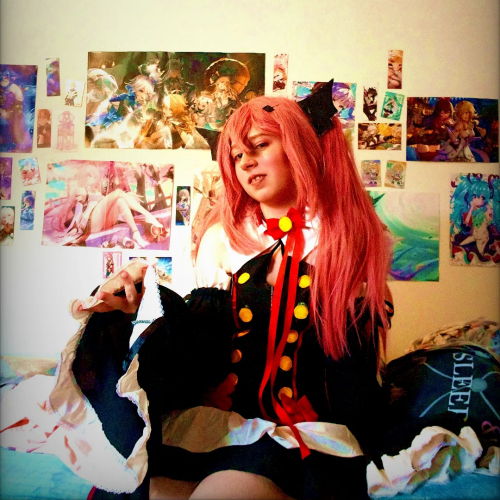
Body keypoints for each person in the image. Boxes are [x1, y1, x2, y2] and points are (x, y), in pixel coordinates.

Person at [51, 92, 394, 500]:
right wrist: (138, 307)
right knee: (140, 490)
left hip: (304, 438)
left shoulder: (348, 241)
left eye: (260, 145)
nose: (246, 162)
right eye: (236, 155)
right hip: (219, 428)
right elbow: (196, 346)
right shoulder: (220, 240)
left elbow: (354, 377)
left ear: (300, 148)